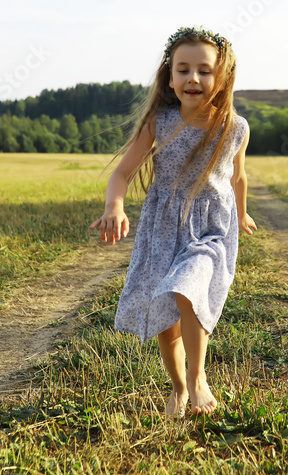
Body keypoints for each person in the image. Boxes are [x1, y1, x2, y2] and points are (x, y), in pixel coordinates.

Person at [90, 26, 257, 417]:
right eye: (183, 70)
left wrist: (244, 211)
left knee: (188, 288)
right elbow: (121, 174)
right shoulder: (159, 123)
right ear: (170, 77)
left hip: (210, 228)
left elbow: (238, 176)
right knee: (167, 320)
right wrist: (115, 206)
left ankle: (198, 378)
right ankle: (179, 389)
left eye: (204, 70)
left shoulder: (234, 128)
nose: (193, 78)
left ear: (223, 77)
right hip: (162, 230)